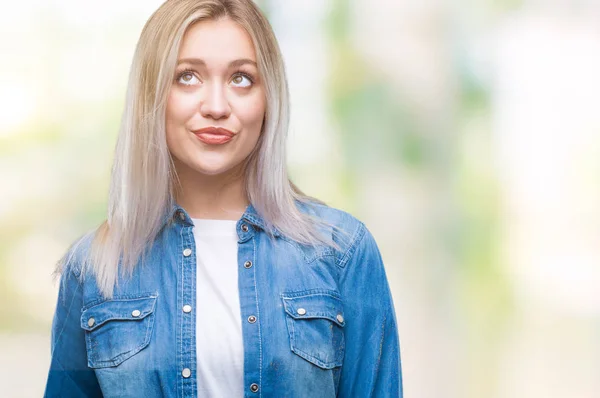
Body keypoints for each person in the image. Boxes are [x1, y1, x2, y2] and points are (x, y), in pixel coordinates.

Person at [43, 0, 403, 397]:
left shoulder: (342, 252)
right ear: (152, 95)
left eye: (241, 79)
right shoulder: (95, 267)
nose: (216, 107)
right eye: (187, 76)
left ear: (268, 100)